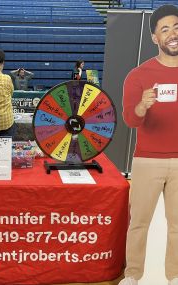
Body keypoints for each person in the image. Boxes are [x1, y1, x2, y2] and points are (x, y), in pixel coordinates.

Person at [119, 5, 178, 285]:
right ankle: (132, 275)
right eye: (165, 29)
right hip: (147, 160)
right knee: (139, 223)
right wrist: (142, 105)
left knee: (177, 227)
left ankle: (174, 275)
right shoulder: (138, 75)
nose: (173, 33)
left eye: (176, 27)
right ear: (155, 38)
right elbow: (130, 119)